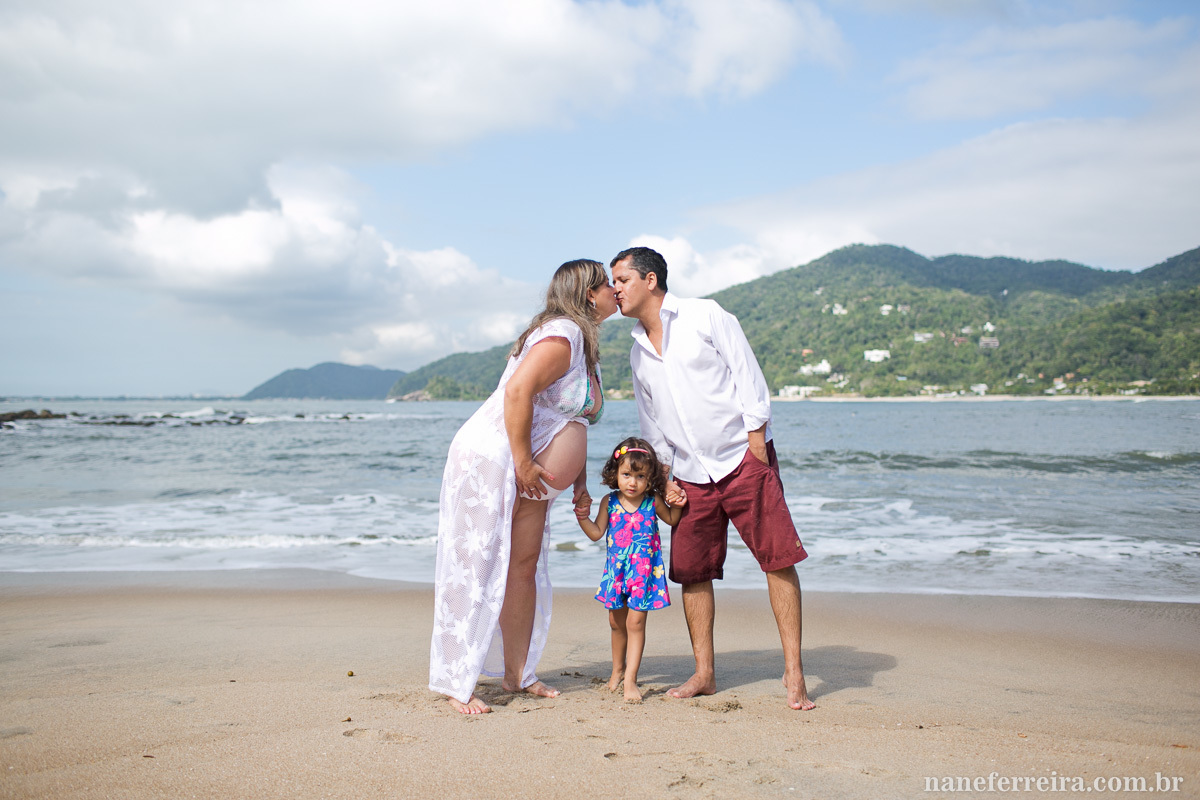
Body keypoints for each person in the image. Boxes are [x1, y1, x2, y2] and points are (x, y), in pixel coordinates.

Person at [610, 245, 815, 711]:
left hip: (741, 459)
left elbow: (749, 377)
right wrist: (664, 479)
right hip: (688, 474)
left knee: (777, 557)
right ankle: (704, 673)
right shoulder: (638, 354)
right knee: (693, 572)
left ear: (650, 281)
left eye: (621, 280)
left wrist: (757, 444)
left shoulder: (706, 316)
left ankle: (794, 672)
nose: (614, 289)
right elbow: (651, 424)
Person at [429, 259, 617, 714]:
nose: (615, 290)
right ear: (589, 294)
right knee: (478, 564)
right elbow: (516, 393)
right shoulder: (562, 334)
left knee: (523, 566)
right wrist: (523, 462)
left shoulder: (580, 341)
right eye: (608, 283)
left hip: (525, 468)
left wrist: (579, 483)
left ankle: (516, 673)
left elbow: (566, 418)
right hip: (494, 458)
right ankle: (458, 683)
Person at [577, 436, 683, 703]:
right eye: (626, 474)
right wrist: (582, 517)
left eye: (640, 476)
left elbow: (671, 519)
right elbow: (596, 533)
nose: (632, 482)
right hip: (617, 574)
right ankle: (617, 670)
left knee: (635, 623)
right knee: (616, 623)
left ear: (650, 479)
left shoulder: (653, 500)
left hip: (643, 574)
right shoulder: (609, 502)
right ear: (615, 474)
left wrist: (678, 505)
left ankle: (631, 680)